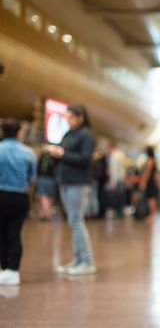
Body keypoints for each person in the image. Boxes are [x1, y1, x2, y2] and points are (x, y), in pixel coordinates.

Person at [47, 104, 97, 275]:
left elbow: (84, 159)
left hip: (78, 183)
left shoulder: (87, 135)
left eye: (71, 118)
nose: (68, 121)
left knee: (77, 221)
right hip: (66, 181)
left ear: (80, 117)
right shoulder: (69, 134)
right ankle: (77, 259)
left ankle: (87, 261)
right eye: (67, 118)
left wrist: (62, 154)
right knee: (72, 221)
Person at [0, 119, 37, 285]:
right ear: (18, 132)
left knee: (1, 235)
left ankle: (4, 269)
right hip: (20, 197)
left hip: (1, 195)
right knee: (14, 234)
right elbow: (32, 178)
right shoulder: (28, 152)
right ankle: (13, 272)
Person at [36, 151, 57, 221]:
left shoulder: (43, 157)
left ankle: (47, 214)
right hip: (52, 179)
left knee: (43, 196)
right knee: (49, 197)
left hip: (43, 178)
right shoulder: (54, 158)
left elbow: (38, 169)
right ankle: (44, 213)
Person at [107, 143, 127, 219]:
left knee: (117, 197)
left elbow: (114, 170)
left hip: (117, 180)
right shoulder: (121, 155)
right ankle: (121, 213)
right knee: (121, 197)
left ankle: (119, 213)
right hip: (122, 179)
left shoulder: (114, 156)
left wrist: (113, 181)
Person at [140, 146, 158, 222]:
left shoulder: (149, 160)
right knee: (152, 198)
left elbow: (147, 172)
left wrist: (143, 182)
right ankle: (152, 215)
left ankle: (152, 215)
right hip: (152, 181)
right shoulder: (153, 160)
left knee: (150, 199)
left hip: (149, 182)